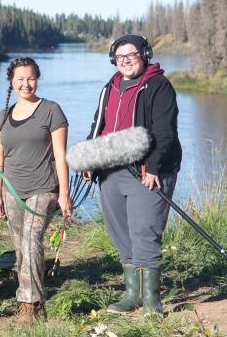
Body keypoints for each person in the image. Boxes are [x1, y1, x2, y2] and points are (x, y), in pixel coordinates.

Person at [83, 34, 182, 315]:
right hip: (110, 170)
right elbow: (98, 125)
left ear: (145, 55)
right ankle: (132, 295)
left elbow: (164, 132)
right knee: (121, 232)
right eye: (120, 56)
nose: (126, 60)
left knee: (145, 232)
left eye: (132, 55)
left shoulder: (158, 85)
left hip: (145, 171)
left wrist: (153, 167)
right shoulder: (110, 86)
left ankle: (151, 301)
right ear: (113, 59)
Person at [0, 57, 71, 324]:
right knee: (20, 246)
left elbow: (61, 156)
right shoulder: (3, 116)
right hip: (13, 189)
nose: (26, 84)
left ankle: (30, 304)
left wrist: (64, 194)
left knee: (30, 239)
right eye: (20, 79)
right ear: (11, 82)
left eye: (31, 78)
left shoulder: (51, 110)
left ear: (37, 79)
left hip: (43, 187)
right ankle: (34, 294)